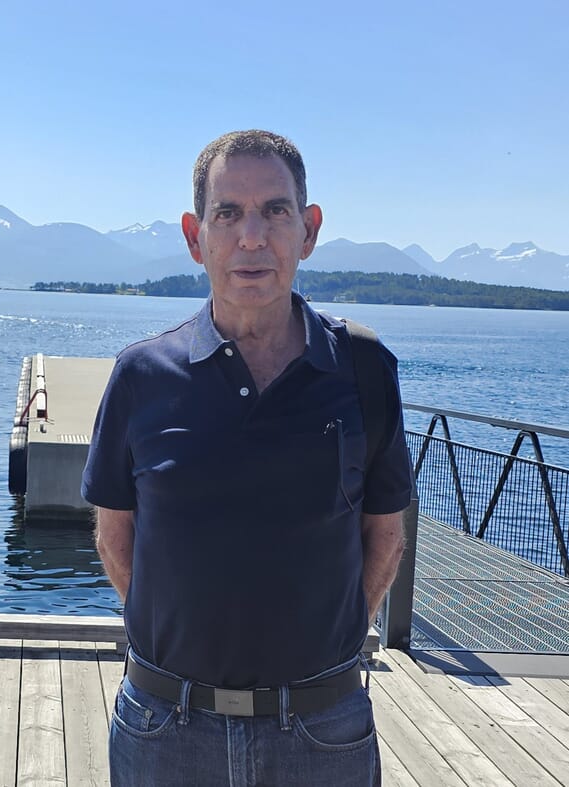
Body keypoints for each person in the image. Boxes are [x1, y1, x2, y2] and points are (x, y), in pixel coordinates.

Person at [82, 129, 412, 786]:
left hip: (323, 733)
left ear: (308, 229)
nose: (251, 236)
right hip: (162, 729)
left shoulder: (364, 369)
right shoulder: (141, 375)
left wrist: (328, 657)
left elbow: (385, 537)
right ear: (193, 234)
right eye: (227, 212)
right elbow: (115, 536)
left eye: (275, 211)